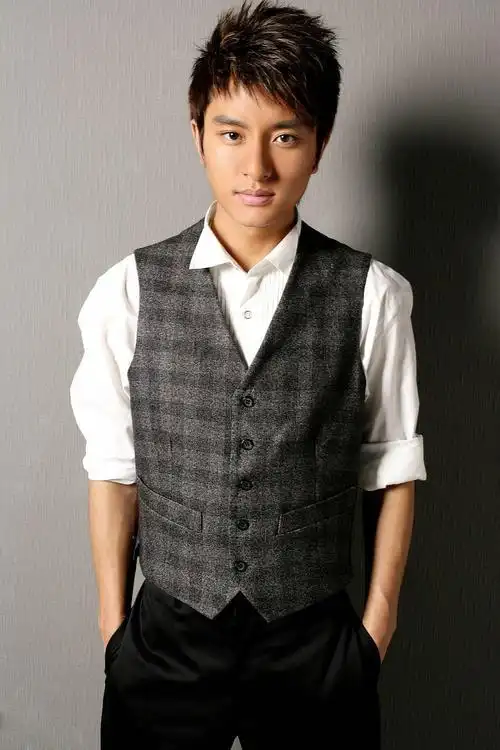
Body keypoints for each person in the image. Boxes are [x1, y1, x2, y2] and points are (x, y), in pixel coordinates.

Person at [69, 0, 426, 747]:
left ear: (320, 144)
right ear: (197, 133)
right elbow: (114, 469)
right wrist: (114, 631)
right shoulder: (127, 291)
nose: (257, 168)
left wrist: (376, 629)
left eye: (285, 137)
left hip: (315, 646)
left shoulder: (372, 295)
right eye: (232, 134)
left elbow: (391, 466)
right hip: (165, 642)